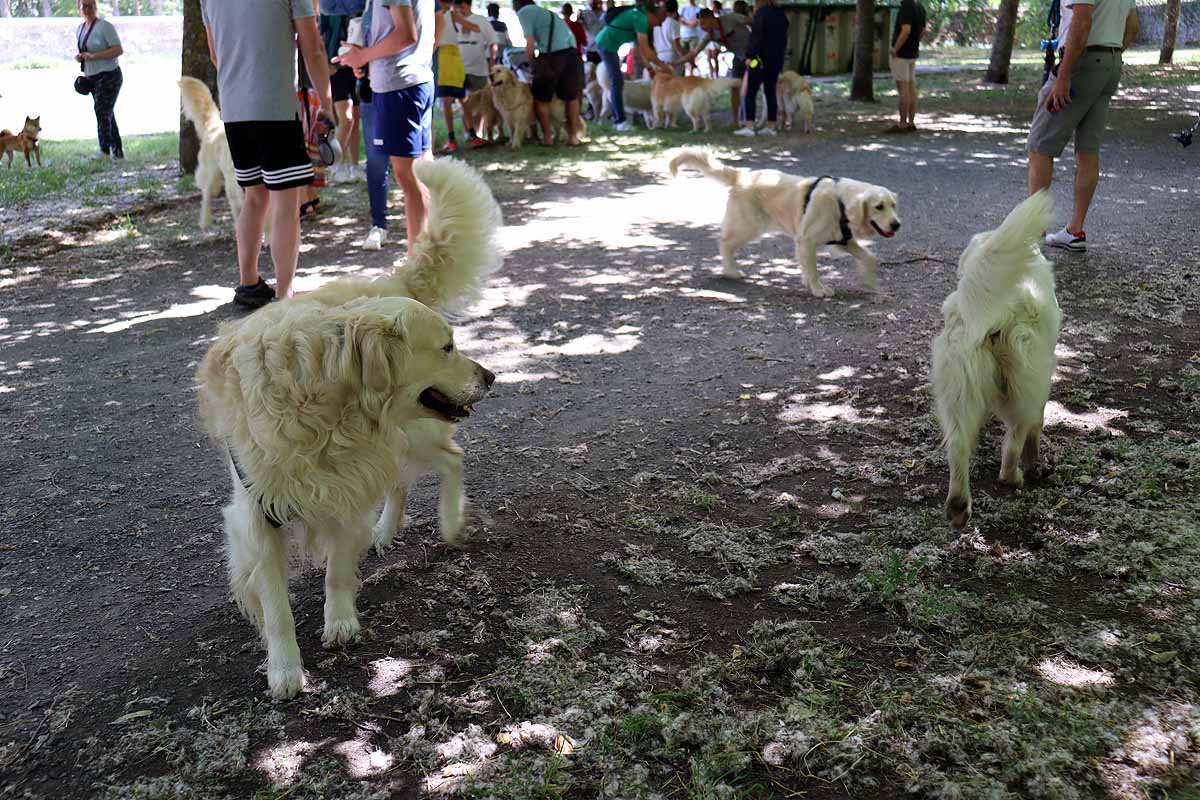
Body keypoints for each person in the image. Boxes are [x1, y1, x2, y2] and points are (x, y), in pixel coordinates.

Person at [201, 0, 335, 309]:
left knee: (254, 195)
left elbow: (215, 54)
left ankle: (248, 282)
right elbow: (313, 48)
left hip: (234, 108)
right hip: (274, 107)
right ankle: (283, 293)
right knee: (285, 202)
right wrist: (327, 105)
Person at [1028, 0, 1137, 251]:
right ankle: (1075, 231)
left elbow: (1082, 20)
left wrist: (1064, 76)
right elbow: (1132, 27)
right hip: (1110, 63)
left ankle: (1034, 233)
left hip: (1080, 63)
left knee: (1039, 146)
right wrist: (1108, 57)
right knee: (1088, 150)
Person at [337, 0, 436, 251]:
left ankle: (419, 259)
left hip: (399, 86)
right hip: (411, 81)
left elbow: (405, 34)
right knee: (421, 174)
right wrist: (367, 59)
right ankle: (428, 251)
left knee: (408, 176)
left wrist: (364, 55)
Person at [515, 0, 586, 145]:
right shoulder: (546, 13)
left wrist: (531, 64)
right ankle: (573, 137)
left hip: (550, 57)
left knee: (541, 98)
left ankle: (547, 137)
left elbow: (529, 44)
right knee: (571, 97)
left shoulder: (524, 12)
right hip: (571, 54)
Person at [595, 0, 670, 132]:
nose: (658, 25)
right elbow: (645, 49)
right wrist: (661, 65)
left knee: (616, 80)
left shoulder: (639, 16)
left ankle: (618, 119)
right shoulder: (640, 18)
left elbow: (640, 50)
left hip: (610, 46)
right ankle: (619, 121)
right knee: (617, 81)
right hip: (606, 44)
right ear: (654, 15)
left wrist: (649, 67)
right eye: (660, 21)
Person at [353, 0, 392, 249]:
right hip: (371, 91)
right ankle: (379, 224)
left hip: (405, 89)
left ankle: (427, 225)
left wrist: (365, 55)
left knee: (413, 165)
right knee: (376, 163)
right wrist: (360, 63)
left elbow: (408, 37)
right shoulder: (366, 8)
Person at [75, 0, 124, 160]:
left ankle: (104, 151)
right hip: (92, 77)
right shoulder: (80, 29)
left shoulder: (104, 26)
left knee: (101, 110)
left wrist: (95, 56)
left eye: (91, 6)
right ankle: (118, 152)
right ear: (80, 8)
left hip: (109, 74)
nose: (88, 9)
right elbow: (85, 51)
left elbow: (118, 49)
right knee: (107, 112)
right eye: (85, 6)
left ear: (96, 8)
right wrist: (81, 57)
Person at [433, 0, 480, 153]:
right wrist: (464, 28)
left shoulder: (437, 13)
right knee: (462, 98)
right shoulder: (452, 14)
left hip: (442, 58)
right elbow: (476, 28)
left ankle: (452, 138)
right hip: (454, 59)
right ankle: (471, 135)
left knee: (446, 100)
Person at [736, 0, 788, 136]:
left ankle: (749, 126)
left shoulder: (762, 13)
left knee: (751, 92)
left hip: (759, 60)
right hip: (776, 60)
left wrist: (749, 55)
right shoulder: (782, 14)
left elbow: (756, 36)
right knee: (770, 91)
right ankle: (771, 126)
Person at [322, 11, 363, 178]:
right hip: (336, 65)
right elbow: (320, 31)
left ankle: (354, 166)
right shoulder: (329, 6)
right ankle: (335, 166)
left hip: (357, 62)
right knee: (345, 120)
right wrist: (325, 60)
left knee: (355, 118)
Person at [693, 6, 750, 125]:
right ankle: (736, 120)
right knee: (735, 87)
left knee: (752, 87)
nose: (702, 27)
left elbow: (752, 21)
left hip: (753, 54)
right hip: (738, 58)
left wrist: (760, 41)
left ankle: (753, 119)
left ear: (711, 19)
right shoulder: (711, 35)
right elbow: (694, 52)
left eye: (703, 23)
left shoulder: (731, 18)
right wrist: (677, 62)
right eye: (700, 24)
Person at [454, 0, 497, 146]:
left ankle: (478, 132)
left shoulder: (481, 21)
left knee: (479, 102)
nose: (460, 9)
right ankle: (468, 132)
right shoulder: (453, 20)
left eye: (462, 6)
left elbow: (493, 42)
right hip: (458, 68)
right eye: (457, 6)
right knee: (462, 102)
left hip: (478, 69)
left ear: (469, 5)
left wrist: (492, 62)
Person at [886, 0, 926, 134]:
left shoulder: (906, 6)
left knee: (903, 90)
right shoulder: (920, 7)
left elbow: (906, 30)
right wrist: (914, 44)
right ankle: (911, 122)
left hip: (902, 55)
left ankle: (902, 123)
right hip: (913, 53)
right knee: (911, 88)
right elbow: (922, 31)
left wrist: (895, 49)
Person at [653, 0, 687, 75]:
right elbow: (677, 45)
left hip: (659, 57)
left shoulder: (655, 23)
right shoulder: (674, 23)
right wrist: (686, 59)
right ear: (675, 10)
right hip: (672, 57)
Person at [678, 0, 701, 75]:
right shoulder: (683, 8)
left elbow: (695, 23)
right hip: (684, 36)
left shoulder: (698, 9)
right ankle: (684, 74)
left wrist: (686, 22)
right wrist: (689, 23)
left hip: (694, 36)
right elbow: (680, 20)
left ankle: (691, 74)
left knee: (692, 55)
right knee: (683, 56)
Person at [578, 0, 605, 65]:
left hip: (602, 48)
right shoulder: (584, 14)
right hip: (590, 49)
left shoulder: (603, 14)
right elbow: (580, 26)